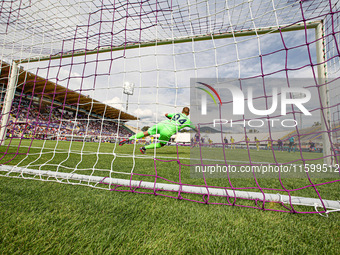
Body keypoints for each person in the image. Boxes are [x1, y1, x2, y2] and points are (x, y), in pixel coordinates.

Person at [119, 107, 197, 154]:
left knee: (145, 133)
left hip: (162, 124)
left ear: (182, 111)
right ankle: (143, 148)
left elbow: (166, 114)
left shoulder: (176, 114)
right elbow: (196, 128)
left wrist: (170, 118)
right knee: (161, 144)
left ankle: (128, 139)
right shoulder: (188, 120)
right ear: (188, 114)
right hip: (168, 130)